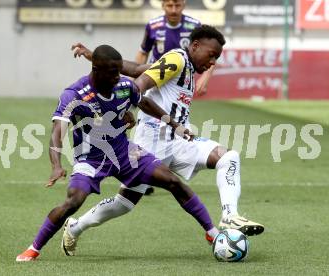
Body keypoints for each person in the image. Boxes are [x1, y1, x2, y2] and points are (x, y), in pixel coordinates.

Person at [63, 25, 264, 257]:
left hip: (177, 141)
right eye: (212, 55)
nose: (213, 63)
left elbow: (138, 68)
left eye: (217, 58)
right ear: (195, 46)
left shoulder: (186, 68)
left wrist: (91, 55)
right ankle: (75, 227)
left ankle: (229, 216)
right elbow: (139, 85)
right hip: (150, 142)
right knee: (124, 202)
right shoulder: (177, 59)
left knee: (228, 157)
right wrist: (124, 109)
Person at [15, 45, 219, 262]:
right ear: (96, 69)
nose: (118, 76)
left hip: (124, 152)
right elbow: (57, 133)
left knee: (171, 180)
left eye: (119, 70)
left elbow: (146, 103)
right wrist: (56, 165)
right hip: (90, 158)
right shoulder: (74, 95)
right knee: (73, 201)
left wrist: (175, 125)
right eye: (113, 72)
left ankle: (213, 233)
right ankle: (34, 248)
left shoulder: (124, 85)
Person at [137, 0, 213, 195]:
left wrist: (205, 76)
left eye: (177, 5)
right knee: (150, 126)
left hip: (178, 87)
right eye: (169, 5)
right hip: (156, 84)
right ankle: (144, 173)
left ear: (184, 4)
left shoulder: (194, 26)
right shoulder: (153, 26)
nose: (173, 10)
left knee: (175, 127)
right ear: (162, 5)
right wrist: (136, 80)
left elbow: (210, 53)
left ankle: (153, 171)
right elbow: (143, 53)